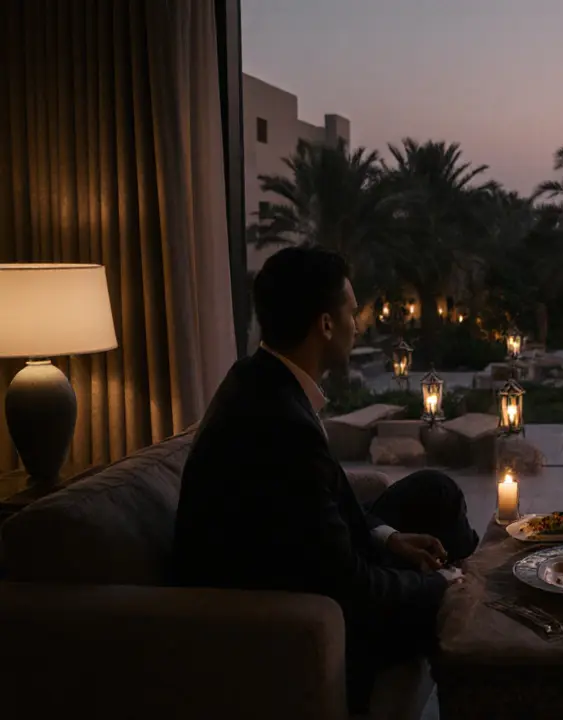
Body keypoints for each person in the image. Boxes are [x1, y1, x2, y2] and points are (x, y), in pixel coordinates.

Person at [173, 246, 479, 712]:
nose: (359, 324)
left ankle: (466, 585)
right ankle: (471, 620)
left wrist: (389, 538)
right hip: (296, 608)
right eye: (352, 312)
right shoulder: (279, 423)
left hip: (303, 556)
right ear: (326, 324)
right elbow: (346, 585)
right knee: (452, 589)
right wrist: (441, 589)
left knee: (434, 491)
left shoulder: (261, 378)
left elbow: (320, 505)